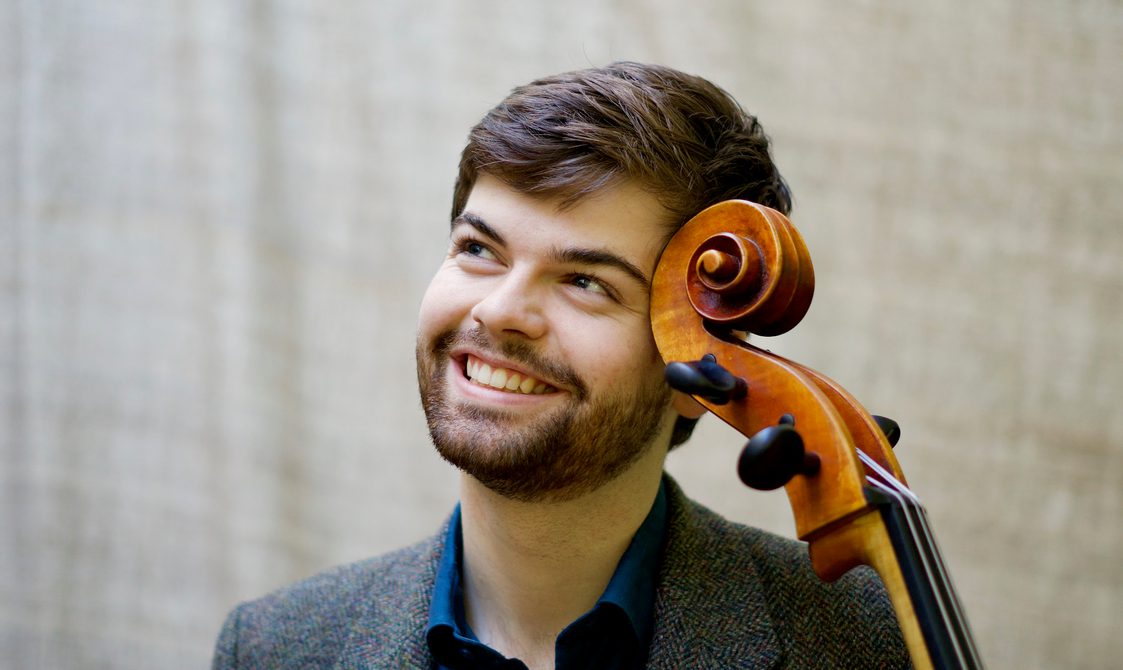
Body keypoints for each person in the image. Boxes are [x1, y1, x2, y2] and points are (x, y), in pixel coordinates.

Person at [212, 61, 909, 669]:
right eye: (478, 249)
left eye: (586, 282)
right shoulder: (274, 647)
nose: (498, 311)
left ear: (699, 378)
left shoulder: (861, 643)